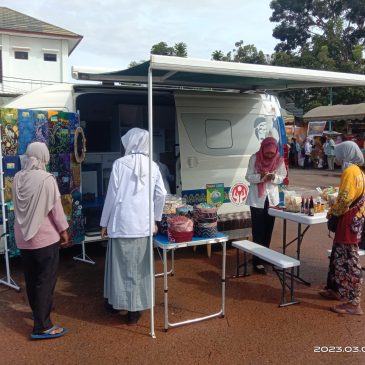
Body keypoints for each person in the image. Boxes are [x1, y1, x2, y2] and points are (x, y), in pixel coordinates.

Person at [100, 128, 166, 325]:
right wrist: (155, 219)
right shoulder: (153, 166)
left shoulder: (120, 164)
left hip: (121, 224)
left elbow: (111, 195)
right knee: (139, 268)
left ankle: (117, 303)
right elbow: (161, 194)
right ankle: (134, 310)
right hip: (142, 225)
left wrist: (104, 222)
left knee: (119, 268)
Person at [13, 142, 70, 340]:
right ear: (43, 156)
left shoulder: (18, 177)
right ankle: (42, 326)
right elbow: (56, 210)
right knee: (45, 280)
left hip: (23, 239)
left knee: (31, 279)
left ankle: (37, 311)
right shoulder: (47, 179)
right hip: (44, 238)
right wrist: (64, 231)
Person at [320, 141, 364, 315]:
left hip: (347, 221)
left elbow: (344, 199)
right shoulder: (359, 171)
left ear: (345, 154)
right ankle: (336, 289)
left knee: (348, 260)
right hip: (355, 220)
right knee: (338, 256)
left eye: (338, 153)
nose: (335, 157)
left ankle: (353, 303)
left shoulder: (349, 172)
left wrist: (332, 212)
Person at [245, 137, 287, 274]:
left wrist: (273, 177)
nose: (269, 156)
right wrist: (261, 177)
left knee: (268, 229)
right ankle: (257, 261)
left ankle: (265, 256)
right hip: (257, 199)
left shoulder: (279, 160)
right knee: (258, 231)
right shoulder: (254, 158)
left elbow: (282, 177)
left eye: (271, 153)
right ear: (263, 149)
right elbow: (248, 176)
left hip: (271, 199)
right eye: (267, 153)